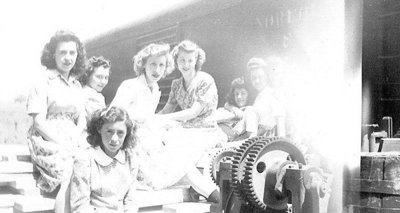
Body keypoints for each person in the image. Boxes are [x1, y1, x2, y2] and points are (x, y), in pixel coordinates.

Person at [111, 42, 220, 203]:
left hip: (146, 142)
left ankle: (210, 193)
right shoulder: (130, 86)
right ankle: (212, 194)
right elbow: (114, 117)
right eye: (153, 64)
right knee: (176, 160)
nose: (157, 70)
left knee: (178, 157)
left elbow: (154, 118)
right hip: (130, 144)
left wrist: (158, 124)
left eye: (162, 65)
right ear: (143, 65)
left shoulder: (154, 89)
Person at [26, 30, 87, 213]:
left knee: (89, 162)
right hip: (46, 138)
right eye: (63, 52)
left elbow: (82, 119)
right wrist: (64, 144)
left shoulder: (76, 86)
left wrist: (76, 138)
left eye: (72, 53)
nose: (68, 58)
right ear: (53, 54)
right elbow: (38, 122)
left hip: (73, 138)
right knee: (69, 169)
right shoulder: (43, 81)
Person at [70, 106, 139, 213]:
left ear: (127, 134)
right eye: (109, 131)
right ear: (99, 129)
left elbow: (131, 201)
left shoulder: (130, 158)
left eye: (120, 133)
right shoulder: (85, 159)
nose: (114, 139)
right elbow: (80, 206)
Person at [246, 57, 286, 137]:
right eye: (254, 78)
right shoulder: (259, 97)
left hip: (269, 140)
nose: (257, 81)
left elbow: (280, 123)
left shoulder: (273, 94)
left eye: (260, 77)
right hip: (257, 138)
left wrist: (282, 145)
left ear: (266, 76)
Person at [79, 56, 111, 120]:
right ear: (88, 75)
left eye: (106, 78)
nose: (103, 82)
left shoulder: (83, 90)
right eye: (99, 77)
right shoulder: (91, 95)